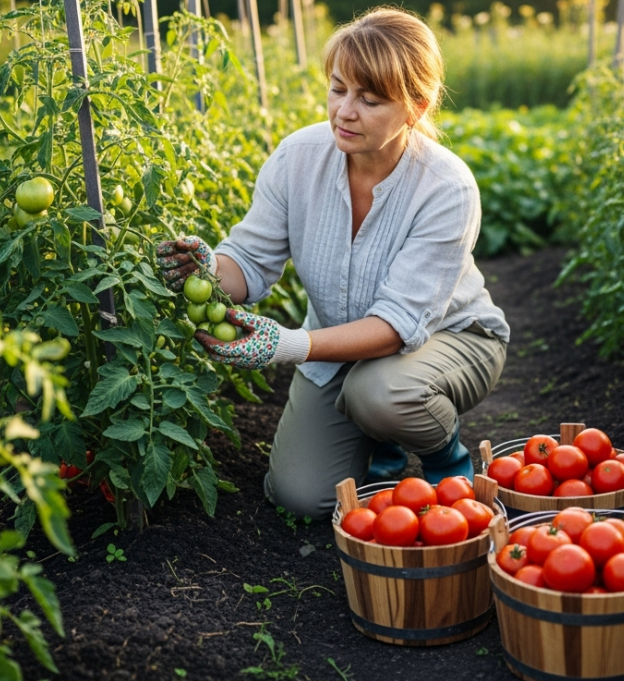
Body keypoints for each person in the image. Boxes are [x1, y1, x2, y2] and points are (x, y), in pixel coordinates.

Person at [155, 7, 509, 519]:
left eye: (370, 99)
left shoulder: (446, 188)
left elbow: (396, 326)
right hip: (339, 349)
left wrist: (288, 345)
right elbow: (250, 262)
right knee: (302, 497)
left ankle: (442, 453)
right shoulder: (298, 158)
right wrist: (209, 269)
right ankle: (380, 441)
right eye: (338, 89)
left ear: (416, 106)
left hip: (451, 340)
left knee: (381, 392)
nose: (345, 111)